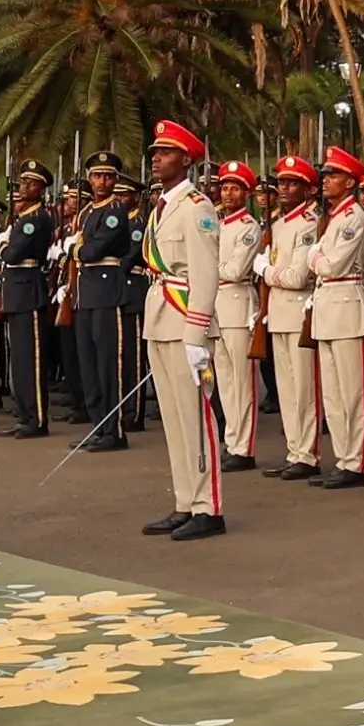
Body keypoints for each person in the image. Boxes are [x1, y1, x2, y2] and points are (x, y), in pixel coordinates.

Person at [139, 122, 228, 540]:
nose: (156, 157)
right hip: (161, 316)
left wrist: (196, 335)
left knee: (196, 417)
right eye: (155, 151)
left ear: (186, 160)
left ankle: (208, 507)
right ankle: (184, 501)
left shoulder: (197, 207)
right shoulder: (161, 205)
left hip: (185, 322)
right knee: (174, 419)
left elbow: (206, 275)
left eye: (166, 151)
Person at [308, 147, 364, 487]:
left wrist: (314, 258)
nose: (326, 181)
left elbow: (331, 264)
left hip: (348, 304)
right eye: (325, 175)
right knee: (334, 394)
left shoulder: (353, 218)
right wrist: (317, 258)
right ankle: (344, 457)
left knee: (353, 392)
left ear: (350, 182)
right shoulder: (336, 217)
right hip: (328, 306)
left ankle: (358, 463)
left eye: (333, 175)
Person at [262, 154, 324, 477]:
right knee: (286, 388)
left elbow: (297, 277)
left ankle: (308, 454)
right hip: (278, 313)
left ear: (308, 190)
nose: (283, 188)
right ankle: (294, 450)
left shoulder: (308, 225)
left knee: (303, 388)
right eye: (282, 183)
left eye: (292, 184)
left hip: (299, 310)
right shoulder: (278, 224)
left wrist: (266, 270)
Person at [71, 155, 141, 436]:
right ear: (89, 179)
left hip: (106, 289)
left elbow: (92, 251)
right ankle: (98, 425)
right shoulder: (88, 211)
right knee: (88, 364)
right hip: (87, 290)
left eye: (108, 176)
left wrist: (74, 249)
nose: (102, 181)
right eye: (97, 176)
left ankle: (114, 429)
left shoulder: (115, 211)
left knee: (108, 364)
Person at [0, 164, 58, 438]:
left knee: (31, 359)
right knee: (19, 360)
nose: (24, 187)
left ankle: (37, 419)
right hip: (16, 290)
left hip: (28, 290)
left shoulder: (36, 218)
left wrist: (3, 244)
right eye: (23, 182)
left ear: (42, 189)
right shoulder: (22, 218)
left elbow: (13, 255)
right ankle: (25, 415)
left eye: (31, 183)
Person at [210, 162, 267, 469]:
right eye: (225, 187)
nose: (227, 193)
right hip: (218, 307)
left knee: (242, 383)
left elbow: (235, 270)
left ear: (246, 193)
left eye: (234, 188)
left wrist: (206, 270)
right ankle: (231, 441)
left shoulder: (248, 227)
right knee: (226, 383)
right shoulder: (218, 224)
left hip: (237, 303)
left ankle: (244, 447)